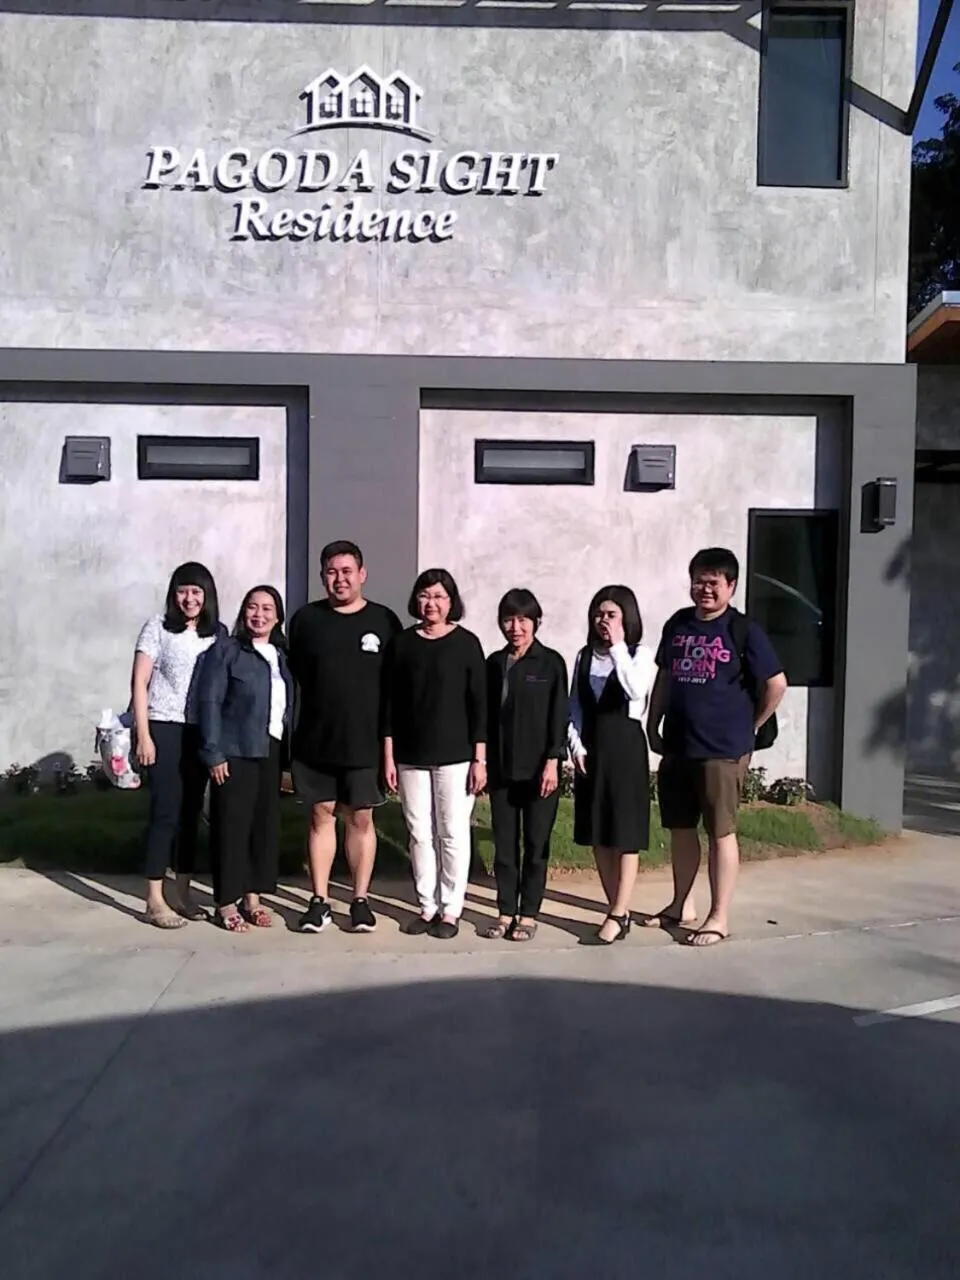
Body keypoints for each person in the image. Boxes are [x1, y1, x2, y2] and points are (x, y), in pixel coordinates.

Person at [646, 547, 787, 946]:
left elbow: (776, 683)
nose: (704, 589)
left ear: (731, 586)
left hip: (723, 750)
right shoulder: (677, 624)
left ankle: (718, 916)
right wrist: (652, 721)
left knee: (720, 832)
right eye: (698, 580)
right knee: (680, 829)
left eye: (713, 582)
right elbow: (666, 677)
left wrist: (751, 727)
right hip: (678, 744)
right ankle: (680, 905)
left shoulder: (744, 630)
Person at [287, 541, 402, 934]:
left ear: (362, 573)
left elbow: (393, 689)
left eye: (347, 571)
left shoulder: (385, 622)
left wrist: (389, 746)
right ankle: (318, 901)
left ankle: (359, 900)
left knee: (361, 818)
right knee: (320, 816)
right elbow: (294, 678)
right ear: (322, 577)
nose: (340, 579)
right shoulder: (305, 620)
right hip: (315, 741)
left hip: (364, 743)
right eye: (332, 572)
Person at [382, 568, 487, 939]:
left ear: (451, 601)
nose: (432, 603)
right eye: (425, 595)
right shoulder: (402, 644)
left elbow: (479, 704)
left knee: (453, 832)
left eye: (440, 596)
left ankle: (451, 910)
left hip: (457, 756)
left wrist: (480, 758)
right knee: (419, 832)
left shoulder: (467, 644)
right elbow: (390, 704)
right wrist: (389, 754)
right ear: (416, 599)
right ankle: (426, 905)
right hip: (410, 754)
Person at [197, 585, 295, 932]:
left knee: (262, 827)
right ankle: (226, 901)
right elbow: (209, 702)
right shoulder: (226, 651)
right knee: (231, 828)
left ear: (278, 617)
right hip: (235, 752)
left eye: (268, 609)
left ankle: (253, 896)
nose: (260, 615)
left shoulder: (280, 656)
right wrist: (213, 753)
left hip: (269, 751)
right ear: (243, 613)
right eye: (253, 607)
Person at [131, 561, 223, 928]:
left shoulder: (217, 633)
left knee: (190, 816)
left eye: (197, 591)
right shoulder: (157, 627)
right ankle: (154, 899)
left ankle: (182, 893)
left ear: (207, 596)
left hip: (199, 731)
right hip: (164, 727)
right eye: (183, 590)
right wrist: (144, 734)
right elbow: (139, 682)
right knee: (165, 811)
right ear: (174, 594)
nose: (189, 598)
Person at [568, 585, 657, 944]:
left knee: (624, 833)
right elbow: (574, 704)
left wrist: (618, 645)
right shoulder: (584, 655)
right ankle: (615, 909)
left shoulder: (640, 654)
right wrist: (575, 745)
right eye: (599, 614)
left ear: (627, 618)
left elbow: (635, 689)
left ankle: (619, 912)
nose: (603, 621)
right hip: (592, 750)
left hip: (626, 749)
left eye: (611, 614)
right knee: (598, 833)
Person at [483, 589, 568, 942]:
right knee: (505, 846)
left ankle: (529, 914)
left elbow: (558, 715)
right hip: (503, 768)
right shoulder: (494, 663)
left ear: (535, 622)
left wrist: (553, 760)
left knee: (535, 845)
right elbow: (486, 717)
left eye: (522, 620)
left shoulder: (551, 663)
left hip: (539, 771)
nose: (515, 627)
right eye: (508, 620)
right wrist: (483, 762)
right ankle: (505, 911)